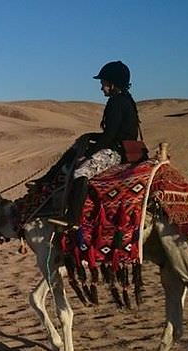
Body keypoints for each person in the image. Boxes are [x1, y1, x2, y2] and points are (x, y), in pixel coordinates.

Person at [48, 61, 140, 228]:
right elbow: (115, 133)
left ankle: (73, 218)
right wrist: (89, 136)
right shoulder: (127, 100)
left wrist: (88, 154)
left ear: (112, 84)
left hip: (117, 151)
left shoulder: (116, 102)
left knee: (80, 171)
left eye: (103, 83)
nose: (101, 88)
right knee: (78, 149)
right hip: (123, 146)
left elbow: (110, 136)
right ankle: (47, 179)